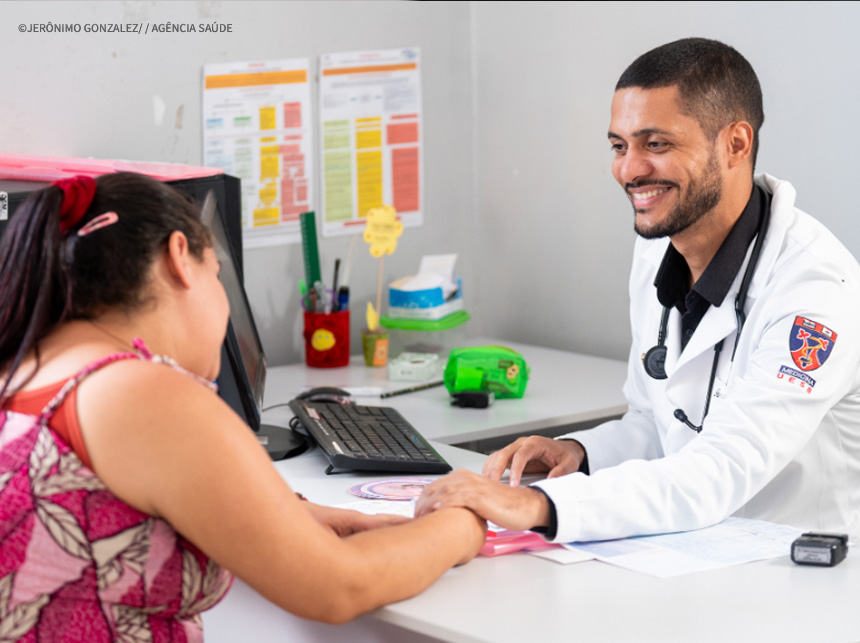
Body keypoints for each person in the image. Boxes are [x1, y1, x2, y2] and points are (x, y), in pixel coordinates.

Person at [0, 172, 486, 640]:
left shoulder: (25, 369)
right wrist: (462, 525)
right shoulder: (144, 391)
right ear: (178, 258)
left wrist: (291, 516)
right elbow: (338, 586)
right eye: (216, 274)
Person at [416, 37, 860, 544]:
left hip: (797, 576)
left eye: (656, 144)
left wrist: (536, 503)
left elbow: (722, 467)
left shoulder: (817, 293)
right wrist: (581, 455)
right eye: (618, 146)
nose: (628, 171)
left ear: (736, 143)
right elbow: (660, 423)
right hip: (687, 553)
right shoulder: (658, 247)